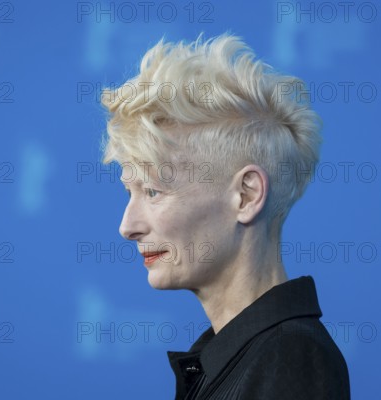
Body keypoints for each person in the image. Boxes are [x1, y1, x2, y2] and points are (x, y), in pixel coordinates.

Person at [99, 32, 350, 399]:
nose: (127, 227)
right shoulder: (239, 355)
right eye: (129, 192)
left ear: (246, 195)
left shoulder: (290, 359)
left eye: (153, 191)